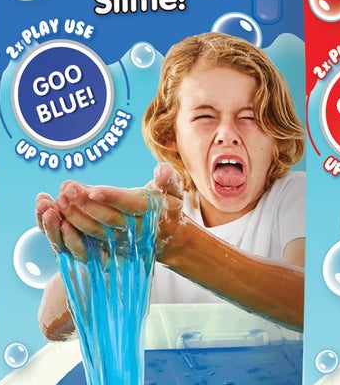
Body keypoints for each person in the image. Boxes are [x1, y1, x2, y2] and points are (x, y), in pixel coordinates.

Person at [35, 32, 306, 338]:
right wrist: (96, 264)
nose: (227, 134)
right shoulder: (151, 220)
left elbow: (304, 303)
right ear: (171, 137)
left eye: (250, 117)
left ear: (276, 136)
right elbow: (51, 325)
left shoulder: (292, 197)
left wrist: (179, 241)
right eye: (205, 117)